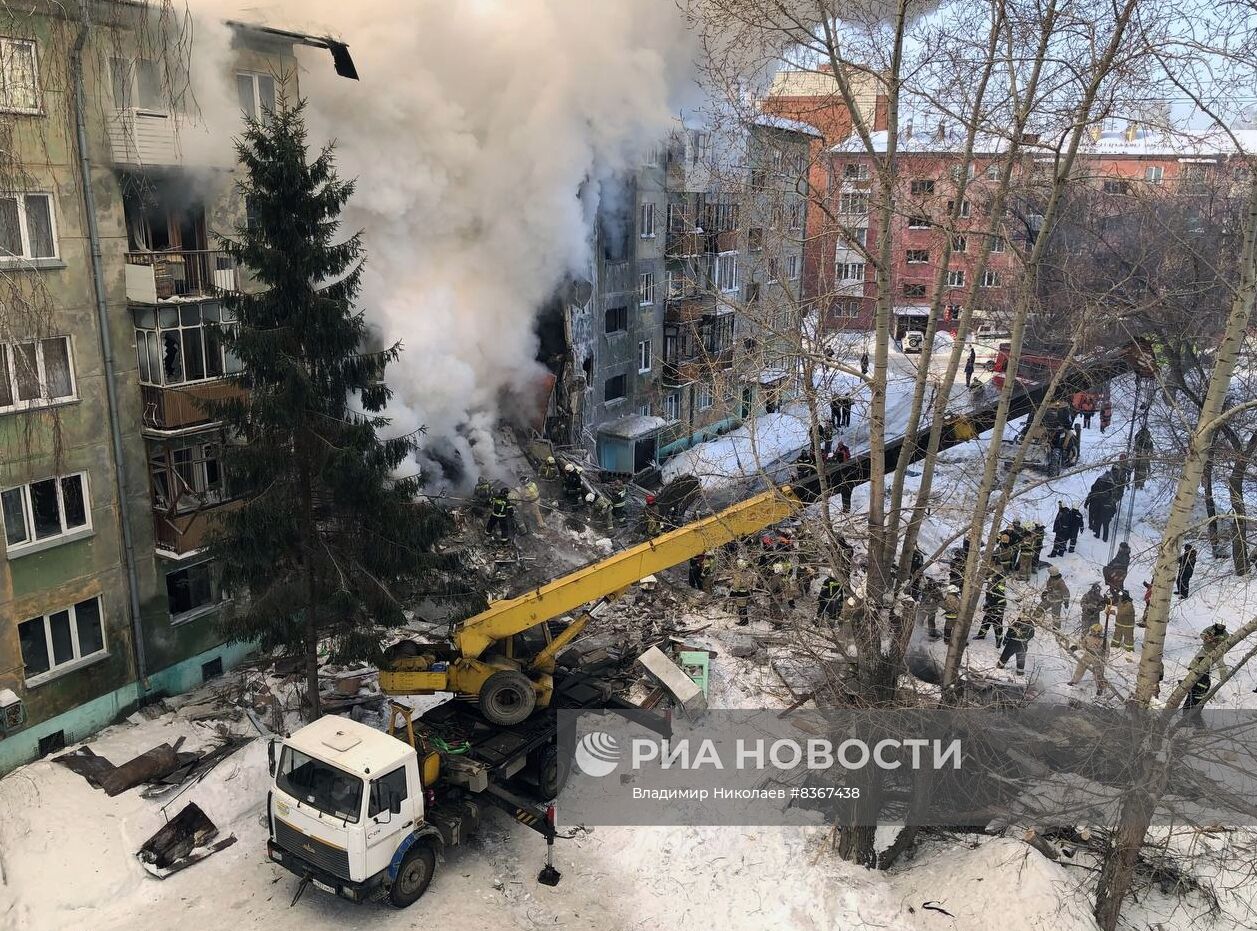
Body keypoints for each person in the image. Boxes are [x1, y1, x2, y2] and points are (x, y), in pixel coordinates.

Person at [1182, 623, 1229, 729]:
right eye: (1219, 625)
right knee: (1197, 659)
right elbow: (1202, 635)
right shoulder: (1210, 629)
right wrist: (1207, 638)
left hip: (1217, 652)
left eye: (1222, 626)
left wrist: (1219, 643)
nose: (1220, 627)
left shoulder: (1225, 634)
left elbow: (1227, 643)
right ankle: (1191, 667)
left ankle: (1224, 675)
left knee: (1221, 664)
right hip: (1206, 650)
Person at [1067, 623, 1108, 696]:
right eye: (1092, 631)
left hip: (1098, 657)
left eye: (1094, 631)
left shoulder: (1103, 640)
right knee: (1080, 666)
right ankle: (1074, 680)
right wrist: (1076, 647)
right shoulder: (1088, 636)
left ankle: (1100, 687)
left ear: (1098, 632)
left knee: (1098, 672)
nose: (1092, 632)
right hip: (1088, 655)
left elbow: (1107, 651)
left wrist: (1104, 658)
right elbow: (1083, 644)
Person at [974, 572, 1007, 644]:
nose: (988, 586)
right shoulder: (990, 590)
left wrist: (998, 611)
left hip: (997, 612)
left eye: (990, 584)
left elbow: (1003, 603)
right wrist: (986, 606)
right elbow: (989, 600)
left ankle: (999, 640)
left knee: (997, 626)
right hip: (990, 609)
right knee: (985, 622)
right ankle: (981, 635)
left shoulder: (999, 592)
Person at [1110, 588, 1136, 652]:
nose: (1120, 597)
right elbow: (1117, 605)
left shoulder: (1129, 604)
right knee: (1117, 635)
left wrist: (1114, 612)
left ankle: (1129, 649)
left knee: (1128, 637)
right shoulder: (1121, 601)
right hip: (1119, 623)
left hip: (1127, 625)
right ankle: (1115, 645)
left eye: (1121, 596)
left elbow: (1123, 612)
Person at [729, 559, 753, 625]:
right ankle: (745, 621)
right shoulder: (749, 573)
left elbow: (736, 584)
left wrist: (733, 592)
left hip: (740, 593)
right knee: (744, 607)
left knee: (741, 607)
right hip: (747, 591)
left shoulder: (738, 574)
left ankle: (743, 622)